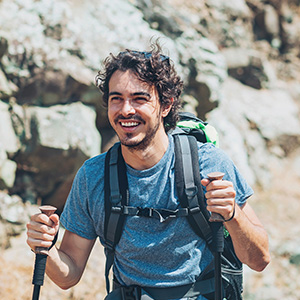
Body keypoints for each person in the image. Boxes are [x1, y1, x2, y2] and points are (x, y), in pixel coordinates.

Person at [26, 42, 270, 299]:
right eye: (116, 99)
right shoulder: (93, 176)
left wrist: (232, 216)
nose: (126, 110)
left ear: (166, 106)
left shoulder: (207, 164)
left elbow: (259, 259)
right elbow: (70, 274)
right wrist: (46, 249)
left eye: (139, 98)